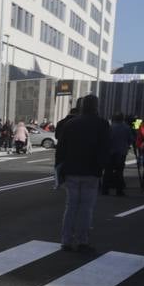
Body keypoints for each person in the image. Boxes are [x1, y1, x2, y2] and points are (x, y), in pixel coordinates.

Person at [54, 95, 110, 252]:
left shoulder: (71, 124)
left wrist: (59, 169)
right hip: (91, 171)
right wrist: (101, 167)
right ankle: (82, 241)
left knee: (71, 206)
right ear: (96, 106)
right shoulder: (102, 124)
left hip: (71, 170)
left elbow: (61, 149)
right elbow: (105, 148)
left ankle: (66, 240)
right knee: (86, 208)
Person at [104, 113, 132, 196]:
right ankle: (119, 190)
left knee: (108, 171)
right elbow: (130, 139)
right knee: (119, 171)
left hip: (110, 152)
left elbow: (106, 139)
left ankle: (105, 189)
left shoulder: (110, 127)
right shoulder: (126, 128)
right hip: (121, 152)